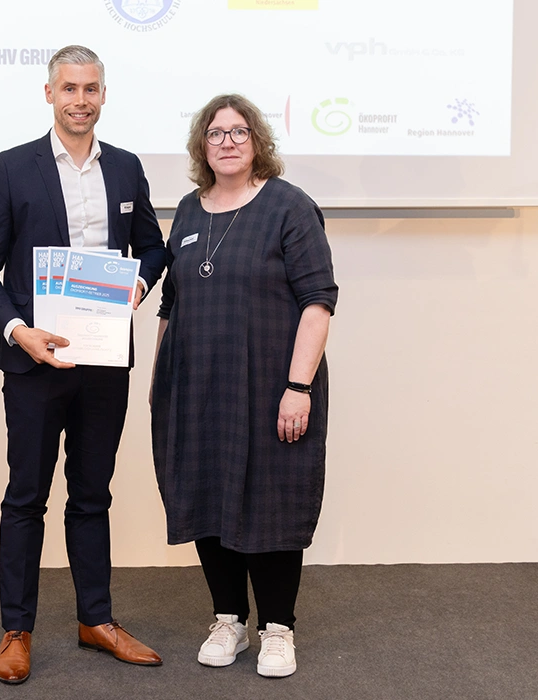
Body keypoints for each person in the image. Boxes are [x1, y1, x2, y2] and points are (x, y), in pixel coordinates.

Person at [0, 44, 167, 684]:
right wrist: (17, 330)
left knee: (92, 495)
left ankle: (95, 620)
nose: (81, 100)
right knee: (26, 497)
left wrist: (138, 286)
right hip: (34, 363)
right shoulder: (11, 168)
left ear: (104, 94)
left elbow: (153, 250)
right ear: (49, 93)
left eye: (91, 88)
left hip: (105, 362)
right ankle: (16, 630)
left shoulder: (127, 167)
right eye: (70, 88)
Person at [149, 94, 338, 678]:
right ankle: (228, 618)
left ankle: (278, 628)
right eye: (215, 133)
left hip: (271, 386)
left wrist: (298, 387)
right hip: (197, 386)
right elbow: (171, 303)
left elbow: (318, 302)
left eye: (238, 132)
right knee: (206, 494)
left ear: (257, 140)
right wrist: (159, 380)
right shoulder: (188, 210)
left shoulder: (289, 206)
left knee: (273, 498)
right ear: (201, 145)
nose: (226, 142)